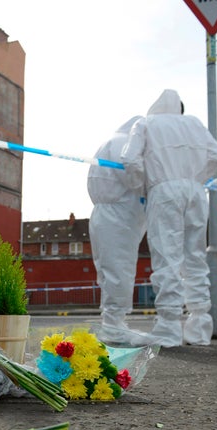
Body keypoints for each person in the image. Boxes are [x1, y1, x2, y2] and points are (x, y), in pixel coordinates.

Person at [121, 89, 217, 347]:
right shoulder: (194, 123)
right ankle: (200, 327)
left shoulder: (145, 124)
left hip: (163, 190)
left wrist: (142, 187)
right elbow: (216, 156)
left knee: (167, 258)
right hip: (195, 191)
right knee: (195, 258)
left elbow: (130, 159)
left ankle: (169, 327)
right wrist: (197, 178)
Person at [87, 116, 148, 346]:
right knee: (119, 270)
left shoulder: (110, 141)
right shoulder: (127, 143)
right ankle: (114, 326)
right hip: (121, 214)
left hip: (105, 213)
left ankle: (111, 324)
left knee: (108, 270)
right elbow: (134, 175)